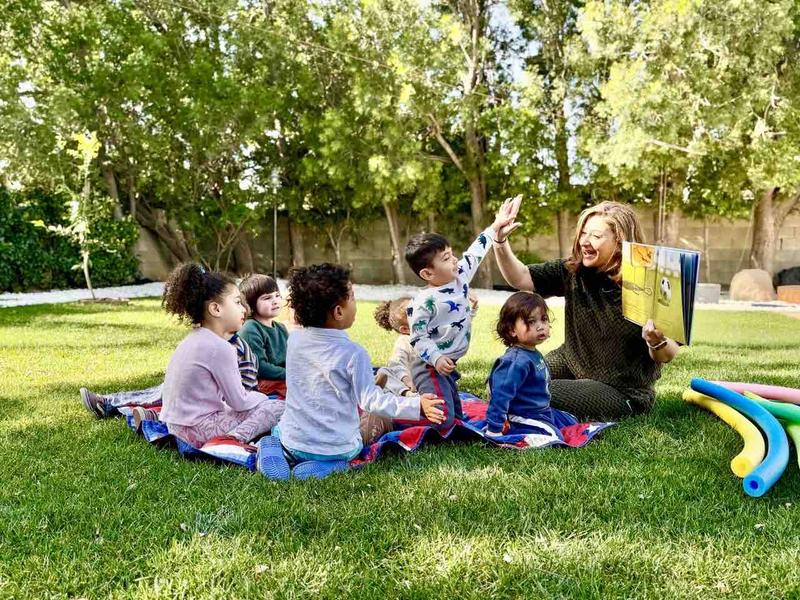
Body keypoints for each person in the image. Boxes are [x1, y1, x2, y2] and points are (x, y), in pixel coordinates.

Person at [492, 198, 680, 419]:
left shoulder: (651, 283)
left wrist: (655, 340)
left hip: (620, 391)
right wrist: (499, 241)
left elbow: (668, 353)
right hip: (570, 362)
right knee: (507, 379)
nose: (585, 241)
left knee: (529, 390)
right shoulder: (573, 270)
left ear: (620, 242)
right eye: (583, 233)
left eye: (597, 236)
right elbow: (521, 277)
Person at [256, 263, 445, 480]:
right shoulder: (354, 354)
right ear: (338, 311)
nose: (355, 303)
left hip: (294, 442)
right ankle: (333, 466)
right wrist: (416, 404)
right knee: (371, 423)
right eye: (353, 297)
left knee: (278, 431)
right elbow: (371, 401)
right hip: (339, 449)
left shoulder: (295, 340)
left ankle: (270, 447)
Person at [158, 263, 284, 447]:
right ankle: (231, 439)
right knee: (279, 407)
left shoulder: (192, 339)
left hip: (176, 427)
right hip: (197, 430)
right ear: (216, 309)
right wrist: (264, 399)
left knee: (250, 405)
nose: (244, 309)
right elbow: (239, 401)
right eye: (237, 302)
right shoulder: (221, 347)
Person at [404, 211, 505, 430]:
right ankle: (398, 412)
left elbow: (475, 253)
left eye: (452, 254)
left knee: (457, 420)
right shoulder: (422, 303)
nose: (455, 260)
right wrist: (437, 358)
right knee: (443, 422)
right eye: (446, 258)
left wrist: (495, 226)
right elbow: (418, 338)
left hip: (447, 366)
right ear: (427, 273)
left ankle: (431, 406)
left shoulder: (460, 277)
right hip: (429, 365)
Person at [485, 291, 577, 437]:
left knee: (572, 421)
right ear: (512, 330)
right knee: (553, 435)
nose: (540, 326)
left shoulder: (532, 353)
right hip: (520, 415)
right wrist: (494, 429)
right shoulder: (515, 362)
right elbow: (500, 395)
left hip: (540, 410)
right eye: (531, 321)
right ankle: (517, 434)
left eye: (544, 319)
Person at [239, 274, 288, 397]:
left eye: (277, 295)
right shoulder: (251, 328)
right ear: (250, 304)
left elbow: (290, 358)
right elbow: (260, 367)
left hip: (282, 377)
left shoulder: (281, 328)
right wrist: (291, 373)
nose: (275, 301)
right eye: (267, 298)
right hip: (261, 383)